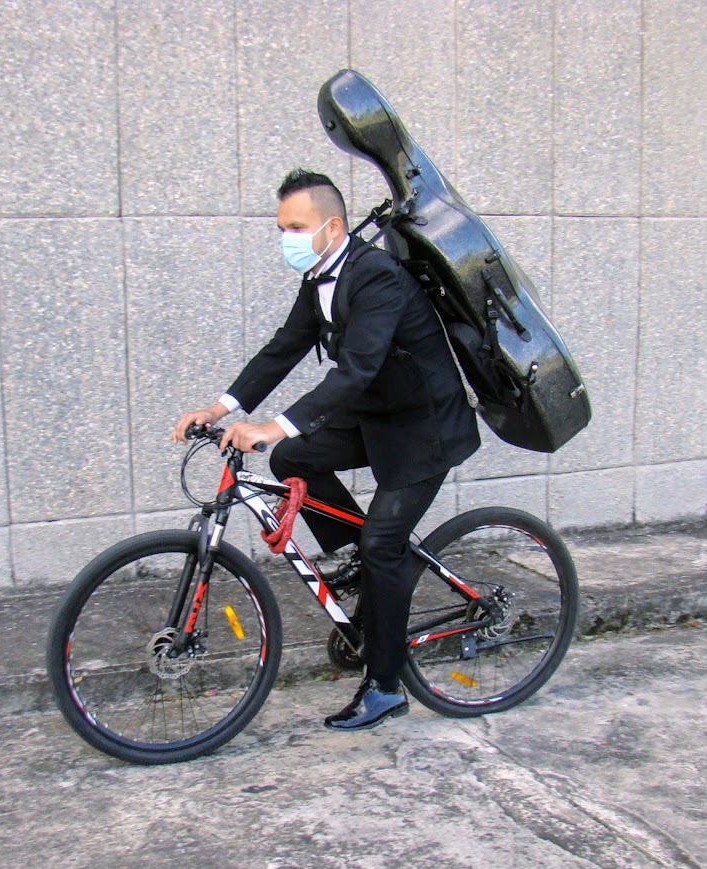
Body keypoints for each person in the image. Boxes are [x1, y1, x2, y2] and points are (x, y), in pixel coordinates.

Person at [172, 169, 480, 731]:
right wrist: (218, 409)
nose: (286, 238)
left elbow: (356, 370)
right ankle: (366, 564)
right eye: (281, 228)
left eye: (296, 227)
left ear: (332, 227)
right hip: (377, 417)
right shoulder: (319, 277)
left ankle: (385, 687)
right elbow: (283, 348)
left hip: (424, 427)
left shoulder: (376, 277)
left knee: (384, 542)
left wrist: (273, 427)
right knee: (295, 459)